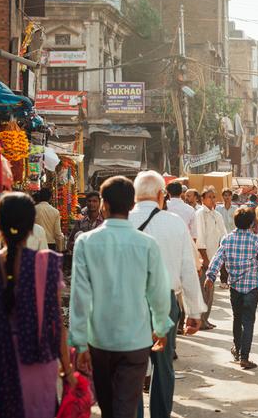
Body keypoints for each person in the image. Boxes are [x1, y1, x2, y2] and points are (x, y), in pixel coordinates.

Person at [69, 176, 173, 418]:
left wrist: (79, 342)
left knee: (109, 408)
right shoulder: (147, 244)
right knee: (125, 407)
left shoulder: (86, 242)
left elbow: (80, 295)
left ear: (103, 204)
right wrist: (160, 326)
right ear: (131, 205)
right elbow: (158, 291)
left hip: (100, 341)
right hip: (136, 340)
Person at [0, 192, 75, 418]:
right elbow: (55, 323)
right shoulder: (46, 265)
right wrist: (67, 369)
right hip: (36, 367)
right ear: (32, 226)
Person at [130, 171, 206, 418]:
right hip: (165, 300)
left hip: (131, 304)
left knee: (133, 365)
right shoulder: (174, 223)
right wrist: (194, 312)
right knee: (163, 367)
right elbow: (188, 268)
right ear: (161, 195)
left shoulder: (124, 221)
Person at [204, 207, 258, 370]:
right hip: (252, 287)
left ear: (235, 222)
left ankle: (237, 351)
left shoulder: (227, 239)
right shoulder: (256, 240)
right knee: (248, 321)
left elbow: (218, 259)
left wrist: (210, 276)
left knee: (237, 318)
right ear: (252, 223)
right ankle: (244, 357)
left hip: (235, 287)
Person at [195, 187, 228, 330]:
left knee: (210, 290)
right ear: (202, 199)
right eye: (209, 197)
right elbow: (200, 239)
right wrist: (205, 259)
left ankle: (205, 319)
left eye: (214, 197)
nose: (212, 199)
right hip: (204, 259)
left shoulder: (217, 215)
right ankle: (200, 320)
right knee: (203, 290)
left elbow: (224, 235)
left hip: (215, 258)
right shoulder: (200, 214)